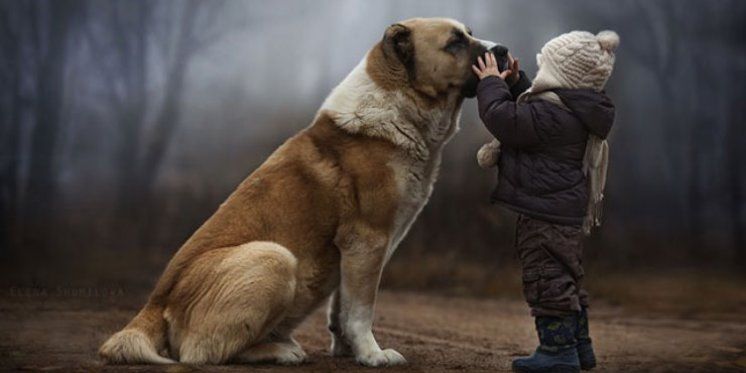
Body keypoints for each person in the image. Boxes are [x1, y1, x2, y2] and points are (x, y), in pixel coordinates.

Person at [471, 30, 619, 373]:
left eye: (544, 69)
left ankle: (557, 353)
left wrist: (490, 84)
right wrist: (515, 82)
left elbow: (505, 119)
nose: (539, 75)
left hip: (544, 214)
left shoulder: (552, 117)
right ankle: (579, 347)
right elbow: (534, 112)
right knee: (565, 278)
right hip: (561, 212)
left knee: (546, 279)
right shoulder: (573, 109)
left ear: (561, 76)